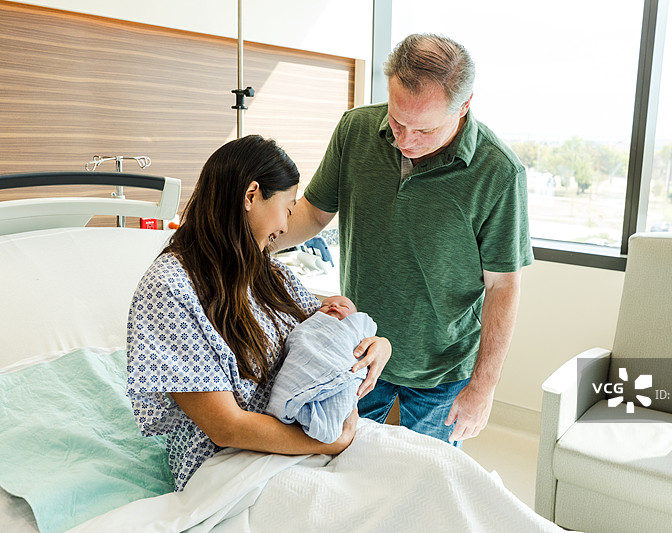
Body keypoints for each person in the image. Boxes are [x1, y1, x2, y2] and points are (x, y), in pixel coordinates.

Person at [270, 34, 533, 446]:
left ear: (463, 107)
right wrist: (244, 245)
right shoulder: (355, 130)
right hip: (357, 353)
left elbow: (503, 286)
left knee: (421, 488)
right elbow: (315, 213)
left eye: (425, 130)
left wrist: (483, 387)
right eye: (396, 122)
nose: (405, 141)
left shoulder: (498, 173)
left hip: (441, 370)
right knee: (343, 471)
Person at [126, 135, 391, 490]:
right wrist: (327, 442)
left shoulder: (269, 271)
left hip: (308, 437)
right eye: (287, 207)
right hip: (231, 462)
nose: (285, 226)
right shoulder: (169, 288)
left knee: (435, 473)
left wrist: (375, 346)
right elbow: (226, 426)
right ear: (251, 196)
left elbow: (321, 342)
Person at [266, 295, 379, 443]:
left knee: (336, 410)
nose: (333, 306)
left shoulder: (355, 332)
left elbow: (362, 350)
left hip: (341, 370)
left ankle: (321, 421)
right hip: (304, 369)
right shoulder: (311, 326)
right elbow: (298, 340)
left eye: (343, 306)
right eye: (325, 305)